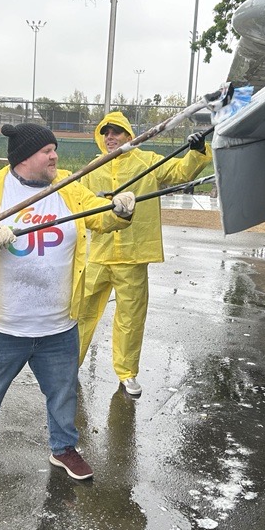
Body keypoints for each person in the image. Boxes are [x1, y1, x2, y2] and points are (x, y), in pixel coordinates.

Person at [0, 122, 135, 481]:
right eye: (46, 150)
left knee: (63, 392)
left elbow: (98, 214)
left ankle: (63, 449)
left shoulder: (66, 185)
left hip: (58, 322)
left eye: (54, 149)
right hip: (7, 323)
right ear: (23, 158)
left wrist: (120, 211)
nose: (54, 155)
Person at [77, 110, 212, 396]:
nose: (110, 137)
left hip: (133, 255)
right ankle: (67, 367)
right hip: (98, 254)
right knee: (82, 313)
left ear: (128, 135)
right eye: (105, 132)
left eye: (116, 132)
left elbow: (180, 172)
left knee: (131, 318)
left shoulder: (147, 162)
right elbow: (78, 204)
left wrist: (197, 150)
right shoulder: (93, 168)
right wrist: (93, 204)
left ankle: (126, 374)